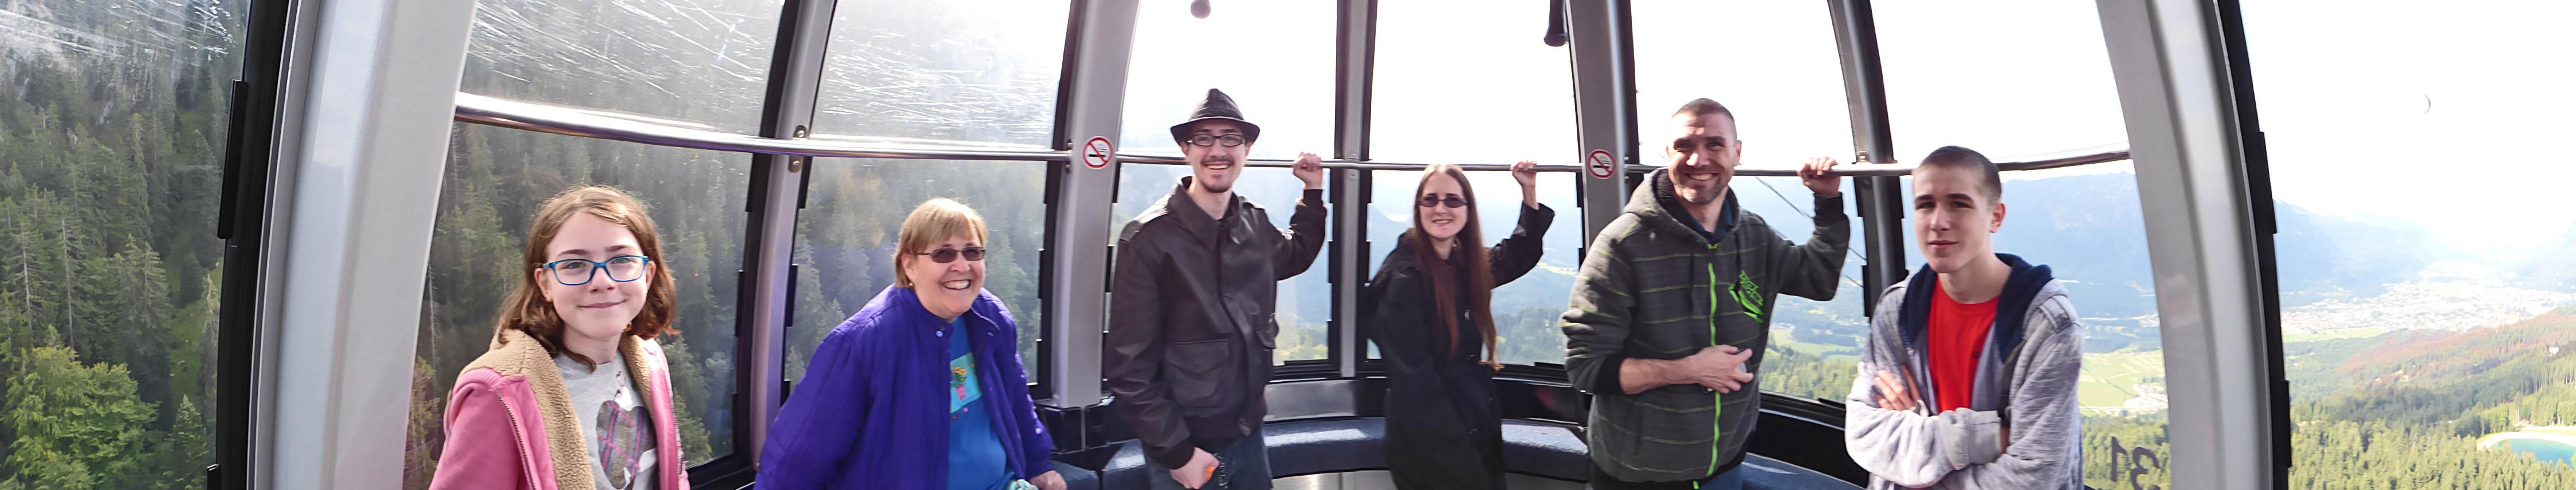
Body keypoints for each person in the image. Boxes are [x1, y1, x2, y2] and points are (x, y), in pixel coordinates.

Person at [1561, 98, 1850, 489]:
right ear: (1668, 153)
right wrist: (1688, 370)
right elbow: (1587, 367)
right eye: (1685, 147)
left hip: (1726, 462)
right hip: (1640, 473)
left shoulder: (1754, 235)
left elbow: (1817, 280)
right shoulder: (1623, 245)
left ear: (1737, 153)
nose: (1699, 160)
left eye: (1715, 144)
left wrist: (1828, 202)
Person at [759, 199, 1067, 490]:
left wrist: (1038, 465)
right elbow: (796, 458)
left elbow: (1016, 403)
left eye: (973, 252)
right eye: (943, 254)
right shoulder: (864, 343)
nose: (962, 266)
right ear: (909, 265)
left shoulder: (990, 319)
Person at [1105, 88, 1328, 490]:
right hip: (1187, 447)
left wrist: (1313, 193)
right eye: (1204, 139)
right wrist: (1178, 454)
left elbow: (1295, 255)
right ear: (1186, 149)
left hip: (1248, 433)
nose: (1217, 151)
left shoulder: (1254, 224)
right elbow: (1129, 369)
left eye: (1230, 139)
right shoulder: (1148, 240)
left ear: (1247, 150)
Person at [1842, 146, 2084, 489]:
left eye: (1958, 204)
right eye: (1926, 205)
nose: (1938, 222)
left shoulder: (2047, 326)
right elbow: (1866, 432)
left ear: (1996, 217)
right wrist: (1981, 439)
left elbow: (2034, 476)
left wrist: (1916, 447)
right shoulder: (1897, 309)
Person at [431, 185, 691, 490]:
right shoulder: (500, 393)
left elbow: (672, 473)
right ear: (545, 284)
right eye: (575, 265)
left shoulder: (649, 359)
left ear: (647, 275)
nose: (602, 282)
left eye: (621, 260)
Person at [1361, 161, 1552, 489]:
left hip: (1471, 424)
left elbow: (1519, 254)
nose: (1441, 209)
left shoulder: (1462, 263)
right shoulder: (1402, 281)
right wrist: (1468, 473)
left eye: (1452, 200)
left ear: (1467, 209)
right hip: (1433, 445)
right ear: (1418, 208)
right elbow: (1418, 391)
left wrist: (1528, 190)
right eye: (1430, 200)